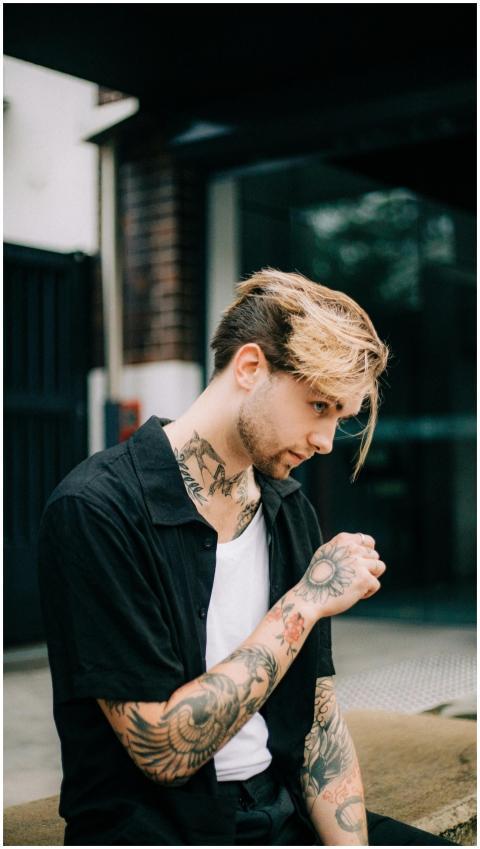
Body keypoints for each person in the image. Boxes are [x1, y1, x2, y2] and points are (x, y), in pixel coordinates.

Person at [38, 269, 454, 846]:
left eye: (341, 417)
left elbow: (317, 717)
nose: (327, 441)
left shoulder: (288, 508)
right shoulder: (98, 508)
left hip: (279, 810)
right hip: (158, 828)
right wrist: (305, 602)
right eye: (319, 405)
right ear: (252, 367)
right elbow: (163, 749)